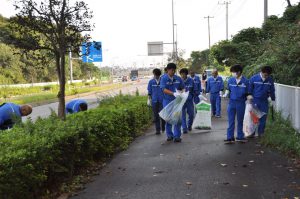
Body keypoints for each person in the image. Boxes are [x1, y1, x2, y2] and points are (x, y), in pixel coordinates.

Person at [224, 64, 249, 144]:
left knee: (240, 120)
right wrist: (225, 93)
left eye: (234, 72)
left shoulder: (246, 81)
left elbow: (248, 92)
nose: (232, 73)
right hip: (231, 103)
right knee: (231, 121)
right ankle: (230, 137)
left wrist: (249, 97)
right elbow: (228, 89)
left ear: (239, 72)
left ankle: (240, 136)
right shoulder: (231, 80)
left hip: (241, 103)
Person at [248, 66, 275, 138]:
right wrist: (249, 95)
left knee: (263, 117)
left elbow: (272, 90)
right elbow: (249, 89)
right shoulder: (254, 78)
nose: (266, 76)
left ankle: (261, 133)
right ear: (261, 72)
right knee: (254, 117)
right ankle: (251, 133)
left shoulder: (270, 80)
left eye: (267, 75)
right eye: (265, 75)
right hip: (255, 100)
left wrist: (273, 100)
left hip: (264, 101)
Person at [160, 63, 185, 142]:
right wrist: (173, 93)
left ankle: (177, 136)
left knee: (178, 118)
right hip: (167, 101)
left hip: (177, 101)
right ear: (167, 70)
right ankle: (169, 135)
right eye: (171, 70)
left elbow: (183, 88)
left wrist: (181, 93)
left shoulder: (178, 78)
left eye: (174, 70)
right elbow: (163, 89)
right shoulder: (163, 78)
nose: (173, 72)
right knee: (169, 118)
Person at [147, 68, 165, 135]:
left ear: (159, 75)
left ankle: (163, 127)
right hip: (154, 101)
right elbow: (149, 91)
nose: (156, 76)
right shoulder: (151, 82)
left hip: (162, 100)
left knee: (162, 115)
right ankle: (157, 130)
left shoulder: (163, 81)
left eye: (157, 75)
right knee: (156, 115)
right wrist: (149, 99)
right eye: (155, 75)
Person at [180, 68, 195, 134]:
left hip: (189, 100)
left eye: (183, 74)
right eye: (181, 74)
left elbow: (194, 89)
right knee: (183, 115)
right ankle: (184, 128)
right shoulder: (179, 81)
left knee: (191, 114)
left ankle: (189, 125)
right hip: (181, 100)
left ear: (186, 74)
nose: (182, 75)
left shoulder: (191, 80)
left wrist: (194, 96)